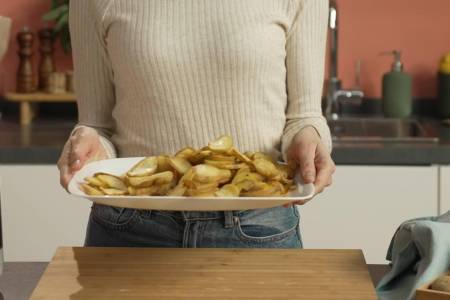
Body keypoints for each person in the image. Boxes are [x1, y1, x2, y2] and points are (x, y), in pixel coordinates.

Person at [58, 0, 335, 248]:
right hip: (129, 227)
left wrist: (309, 138)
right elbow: (97, 124)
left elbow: (303, 117)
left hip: (258, 227)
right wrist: (88, 145)